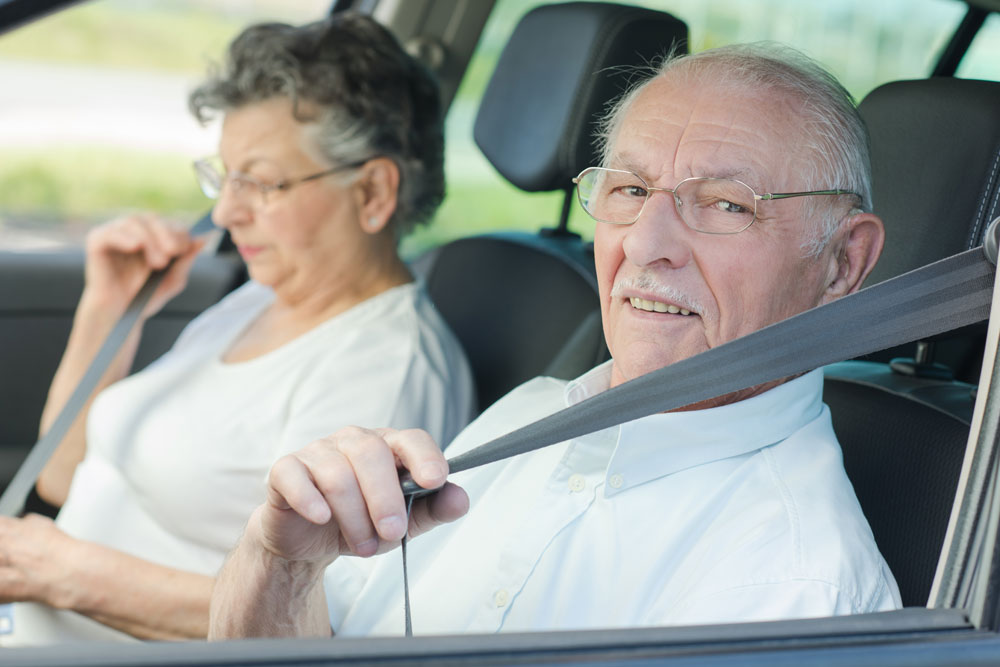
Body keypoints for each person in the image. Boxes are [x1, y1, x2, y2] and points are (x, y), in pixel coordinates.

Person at [209, 42, 901, 639]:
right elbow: (315, 640)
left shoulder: (789, 588)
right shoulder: (533, 410)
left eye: (727, 203)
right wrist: (280, 566)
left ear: (841, 262)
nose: (645, 244)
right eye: (629, 189)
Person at [0, 13, 473, 645]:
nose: (225, 210)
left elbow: (318, 624)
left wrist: (62, 573)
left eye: (260, 181)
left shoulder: (383, 373)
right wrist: (109, 315)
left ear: (372, 193)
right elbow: (60, 478)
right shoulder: (259, 296)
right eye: (225, 176)